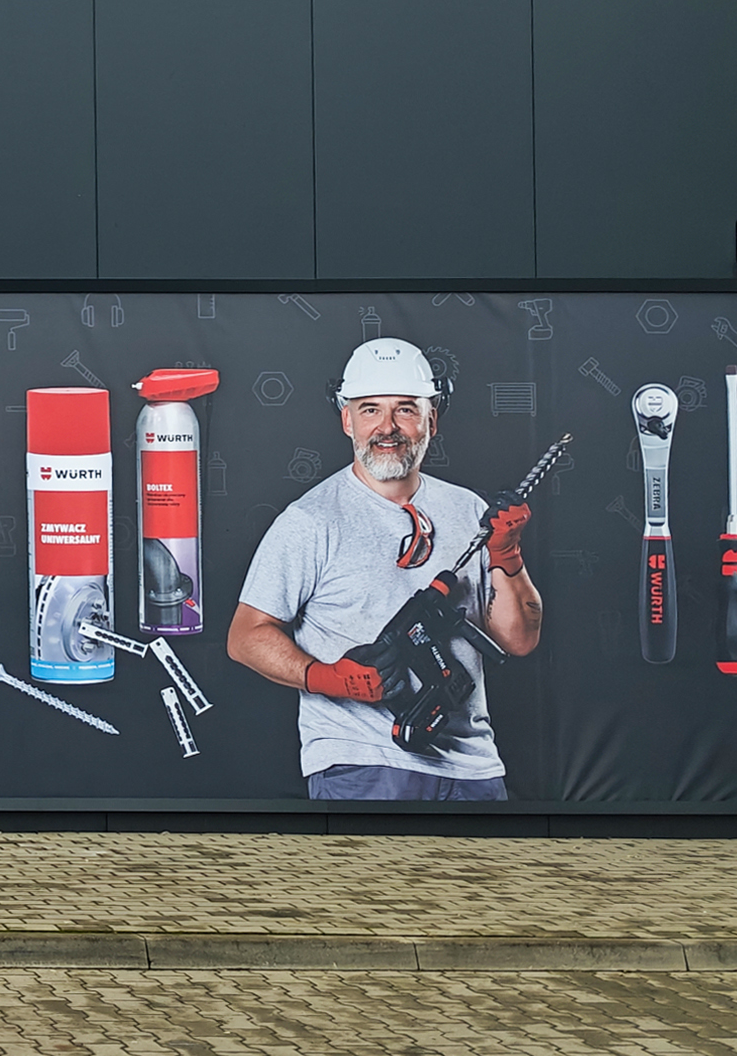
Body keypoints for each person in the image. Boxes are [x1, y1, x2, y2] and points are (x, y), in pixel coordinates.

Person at [227, 337, 541, 803]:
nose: (387, 427)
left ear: (432, 419)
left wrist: (507, 556)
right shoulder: (310, 521)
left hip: (474, 768)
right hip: (362, 764)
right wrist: (324, 676)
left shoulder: (469, 511)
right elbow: (245, 636)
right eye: (370, 409)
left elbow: (519, 640)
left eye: (406, 409)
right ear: (347, 420)